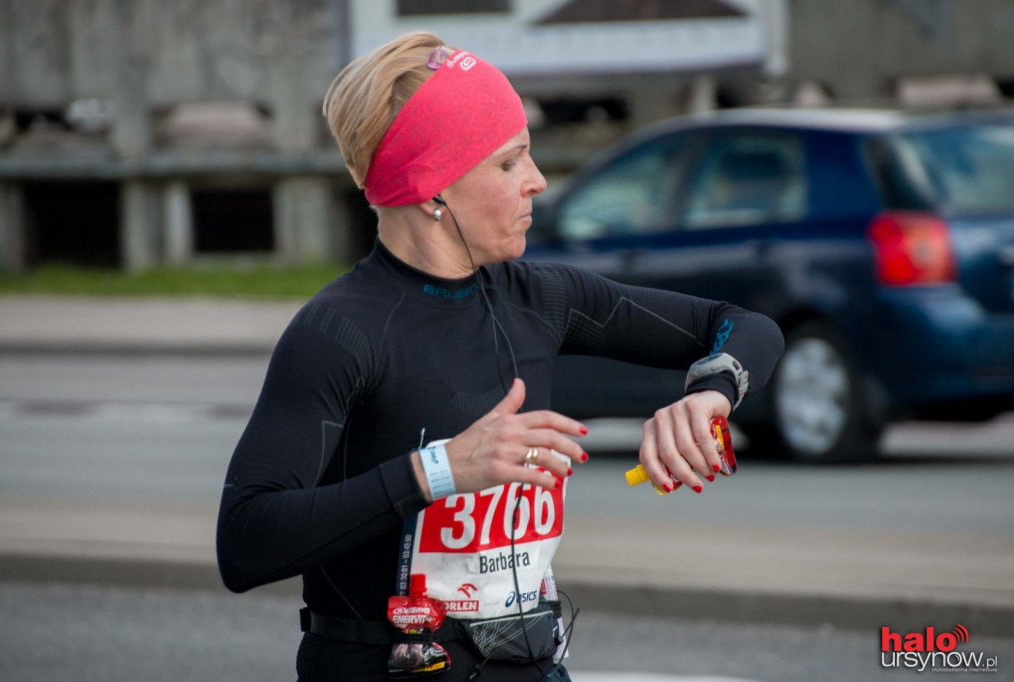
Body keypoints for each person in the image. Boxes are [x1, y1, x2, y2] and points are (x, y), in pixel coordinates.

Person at [216, 31, 784, 681]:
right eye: (510, 162)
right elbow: (244, 542)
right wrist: (437, 472)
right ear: (433, 187)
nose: (538, 182)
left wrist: (708, 394)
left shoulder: (539, 298)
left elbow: (742, 326)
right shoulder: (339, 333)